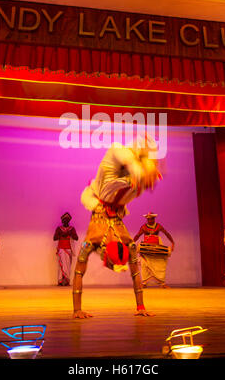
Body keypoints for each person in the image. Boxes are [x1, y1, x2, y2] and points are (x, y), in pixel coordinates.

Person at [72, 136, 162, 319]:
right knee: (140, 181)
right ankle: (142, 163)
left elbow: (78, 272)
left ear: (105, 250)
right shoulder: (127, 243)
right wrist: (141, 306)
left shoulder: (91, 243)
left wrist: (76, 310)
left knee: (125, 167)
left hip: (101, 196)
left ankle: (140, 163)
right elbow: (135, 270)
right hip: (115, 198)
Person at [134, 212, 174, 288]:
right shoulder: (144, 227)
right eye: (148, 219)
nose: (149, 220)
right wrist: (132, 243)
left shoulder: (158, 226)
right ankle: (144, 283)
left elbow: (166, 233)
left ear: (154, 219)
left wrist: (172, 243)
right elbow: (137, 235)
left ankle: (162, 283)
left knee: (161, 264)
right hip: (146, 249)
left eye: (151, 219)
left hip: (156, 248)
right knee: (144, 265)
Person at [53, 212, 78, 286]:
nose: (65, 221)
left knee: (67, 266)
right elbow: (54, 238)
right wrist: (61, 234)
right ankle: (60, 281)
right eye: (64, 220)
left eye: (67, 220)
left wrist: (70, 234)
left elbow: (76, 238)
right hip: (61, 249)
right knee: (61, 266)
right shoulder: (59, 229)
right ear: (62, 221)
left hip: (68, 249)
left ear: (69, 221)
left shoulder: (72, 229)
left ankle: (66, 281)